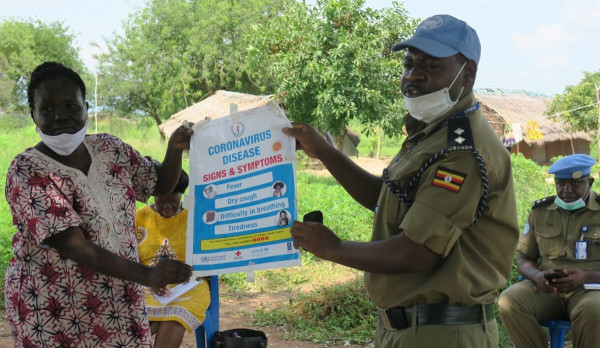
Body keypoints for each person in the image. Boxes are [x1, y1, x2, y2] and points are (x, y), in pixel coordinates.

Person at [284, 14, 519, 347]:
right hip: (407, 328)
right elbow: (388, 196)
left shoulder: (462, 150)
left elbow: (417, 252)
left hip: (441, 333)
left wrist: (333, 248)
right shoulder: (432, 133)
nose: (413, 76)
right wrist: (324, 151)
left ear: (467, 73)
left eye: (431, 66)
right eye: (409, 64)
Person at [4, 62, 193, 347]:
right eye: (48, 108)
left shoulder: (110, 148)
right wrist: (148, 274)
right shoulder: (28, 169)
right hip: (54, 305)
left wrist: (175, 149)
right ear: (33, 113)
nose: (61, 116)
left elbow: (158, 185)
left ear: (86, 106)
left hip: (120, 298)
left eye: (70, 106)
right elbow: (72, 245)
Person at [498, 154, 600, 348]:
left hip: (590, 289)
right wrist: (538, 276)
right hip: (547, 291)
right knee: (508, 301)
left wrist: (586, 276)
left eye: (575, 184)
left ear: (590, 182)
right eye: (561, 184)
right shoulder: (541, 211)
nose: (567, 190)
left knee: (593, 309)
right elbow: (524, 259)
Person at [135, 170, 210, 348]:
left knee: (175, 317)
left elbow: (207, 256)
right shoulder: (139, 216)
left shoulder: (194, 216)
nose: (167, 207)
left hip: (189, 285)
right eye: (161, 202)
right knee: (133, 317)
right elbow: (129, 256)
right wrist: (149, 278)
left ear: (181, 196)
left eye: (173, 202)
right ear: (153, 197)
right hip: (146, 282)